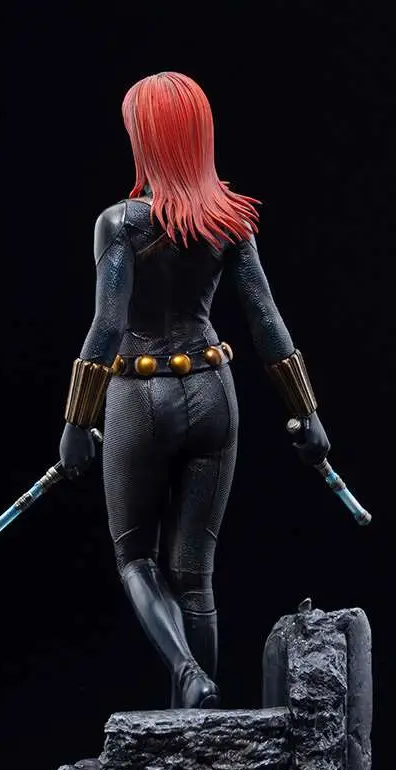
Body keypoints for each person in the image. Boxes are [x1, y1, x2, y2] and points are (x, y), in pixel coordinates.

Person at [58, 71, 330, 711]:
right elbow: (267, 321)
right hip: (213, 392)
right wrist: (306, 412)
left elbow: (108, 326)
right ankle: (202, 721)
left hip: (138, 396)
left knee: (135, 558)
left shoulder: (119, 223)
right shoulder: (229, 221)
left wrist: (76, 419)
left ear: (145, 138)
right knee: (196, 577)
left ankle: (187, 673)